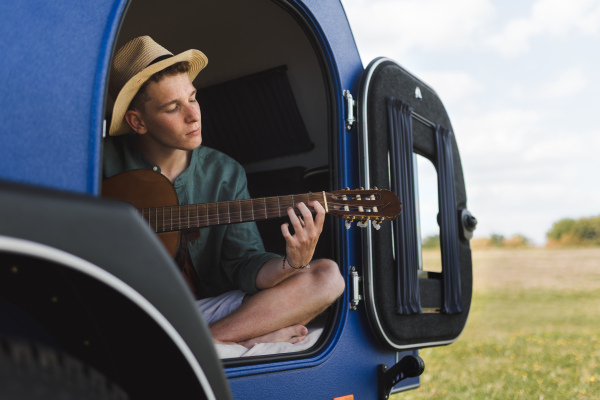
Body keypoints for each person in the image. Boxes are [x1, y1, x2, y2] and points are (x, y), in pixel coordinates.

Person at [103, 36, 345, 348]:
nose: (193, 115)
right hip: (122, 311)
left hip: (205, 313)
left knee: (327, 276)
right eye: (172, 107)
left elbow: (244, 262)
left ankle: (203, 344)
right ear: (138, 122)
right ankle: (235, 341)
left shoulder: (225, 172)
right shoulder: (96, 162)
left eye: (192, 98)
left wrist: (293, 262)